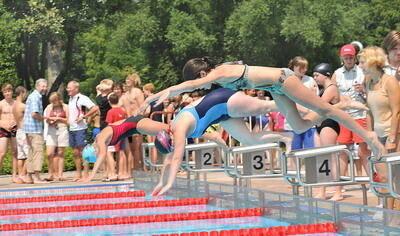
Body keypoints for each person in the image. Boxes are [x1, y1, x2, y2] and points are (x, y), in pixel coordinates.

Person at [142, 57, 385, 159]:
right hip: (275, 89)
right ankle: (337, 104)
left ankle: (369, 135)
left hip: (283, 80)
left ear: (202, 72)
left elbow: (192, 84)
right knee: (300, 125)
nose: (204, 83)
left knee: (326, 110)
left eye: (201, 78)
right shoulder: (219, 74)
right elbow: (196, 83)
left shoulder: (220, 72)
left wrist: (161, 93)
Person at [151, 88, 296, 196]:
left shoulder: (179, 128)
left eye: (173, 146)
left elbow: (176, 158)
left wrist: (170, 183)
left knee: (267, 106)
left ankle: (300, 103)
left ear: (170, 140)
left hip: (224, 100)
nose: (175, 147)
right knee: (250, 140)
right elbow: (170, 159)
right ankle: (285, 137)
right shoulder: (173, 133)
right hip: (222, 115)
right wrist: (161, 182)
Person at [360, 46, 400, 209]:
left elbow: (397, 111)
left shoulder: (390, 81)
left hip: (395, 135)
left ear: (372, 62)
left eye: (362, 62)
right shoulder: (369, 82)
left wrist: (391, 138)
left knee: (397, 179)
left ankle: (394, 218)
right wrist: (370, 136)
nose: (360, 66)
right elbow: (369, 110)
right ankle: (388, 216)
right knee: (384, 179)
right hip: (378, 136)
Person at [81, 115, 170, 182]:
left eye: (96, 155)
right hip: (135, 128)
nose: (98, 155)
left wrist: (91, 175)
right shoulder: (100, 140)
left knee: (170, 129)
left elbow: (102, 155)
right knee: (168, 132)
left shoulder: (100, 139)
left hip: (136, 123)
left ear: (94, 152)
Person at [332, 44, 370, 177]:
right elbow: (332, 96)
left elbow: (372, 95)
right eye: (346, 57)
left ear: (355, 57)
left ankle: (373, 182)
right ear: (342, 57)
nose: (349, 60)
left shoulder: (363, 71)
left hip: (360, 115)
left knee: (363, 151)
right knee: (343, 151)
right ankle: (339, 187)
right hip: (344, 116)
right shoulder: (336, 74)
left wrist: (364, 90)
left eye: (351, 57)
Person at [311, 63, 343, 201]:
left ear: (327, 75)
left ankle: (337, 191)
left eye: (317, 75)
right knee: (321, 158)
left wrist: (311, 95)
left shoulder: (331, 88)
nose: (315, 78)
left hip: (329, 124)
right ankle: (322, 190)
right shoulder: (323, 89)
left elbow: (319, 105)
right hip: (320, 124)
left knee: (331, 158)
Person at [66, 80, 99, 181]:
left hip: (81, 129)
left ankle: (86, 174)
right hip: (72, 128)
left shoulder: (82, 98)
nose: (67, 89)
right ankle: (78, 174)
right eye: (67, 87)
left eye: (69, 88)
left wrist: (84, 117)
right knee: (75, 153)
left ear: (76, 89)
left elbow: (95, 108)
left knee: (84, 152)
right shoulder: (71, 99)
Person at [22, 79, 48, 184]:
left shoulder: (33, 96)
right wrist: (45, 118)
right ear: (37, 86)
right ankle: (37, 177)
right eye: (42, 86)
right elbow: (34, 114)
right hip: (35, 129)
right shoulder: (35, 97)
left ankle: (29, 177)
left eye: (45, 86)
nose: (44, 88)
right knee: (38, 152)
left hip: (29, 129)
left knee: (31, 152)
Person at [120, 74, 145, 170]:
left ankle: (139, 167)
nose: (127, 81)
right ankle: (134, 167)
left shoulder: (137, 92)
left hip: (136, 120)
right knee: (131, 146)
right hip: (128, 120)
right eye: (126, 79)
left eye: (129, 79)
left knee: (137, 145)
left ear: (134, 81)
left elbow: (142, 106)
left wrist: (139, 118)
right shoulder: (126, 94)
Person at [44, 92, 69, 181]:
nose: (53, 103)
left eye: (55, 101)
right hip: (52, 130)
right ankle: (51, 172)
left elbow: (68, 121)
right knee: (49, 153)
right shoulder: (49, 107)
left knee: (60, 153)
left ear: (58, 100)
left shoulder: (65, 107)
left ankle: (60, 174)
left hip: (62, 129)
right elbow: (46, 119)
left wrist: (60, 119)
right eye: (52, 102)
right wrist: (50, 121)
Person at [104, 93, 128, 181]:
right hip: (122, 134)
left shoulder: (110, 112)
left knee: (109, 153)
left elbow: (109, 125)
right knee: (121, 152)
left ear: (109, 102)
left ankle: (113, 174)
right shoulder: (123, 111)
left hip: (113, 135)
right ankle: (122, 173)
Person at [0, 84, 19, 183]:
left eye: (9, 91)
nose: (7, 93)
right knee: (2, 153)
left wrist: (16, 122)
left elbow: (20, 117)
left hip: (14, 128)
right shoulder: (1, 104)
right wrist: (4, 125)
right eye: (5, 92)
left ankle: (14, 175)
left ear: (12, 92)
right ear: (3, 93)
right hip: (3, 129)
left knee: (15, 152)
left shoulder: (16, 103)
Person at [12, 86, 29, 183]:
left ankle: (20, 176)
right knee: (29, 154)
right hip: (23, 132)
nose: (25, 95)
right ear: (22, 92)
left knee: (21, 155)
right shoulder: (23, 106)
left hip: (18, 131)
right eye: (25, 93)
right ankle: (23, 174)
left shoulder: (14, 106)